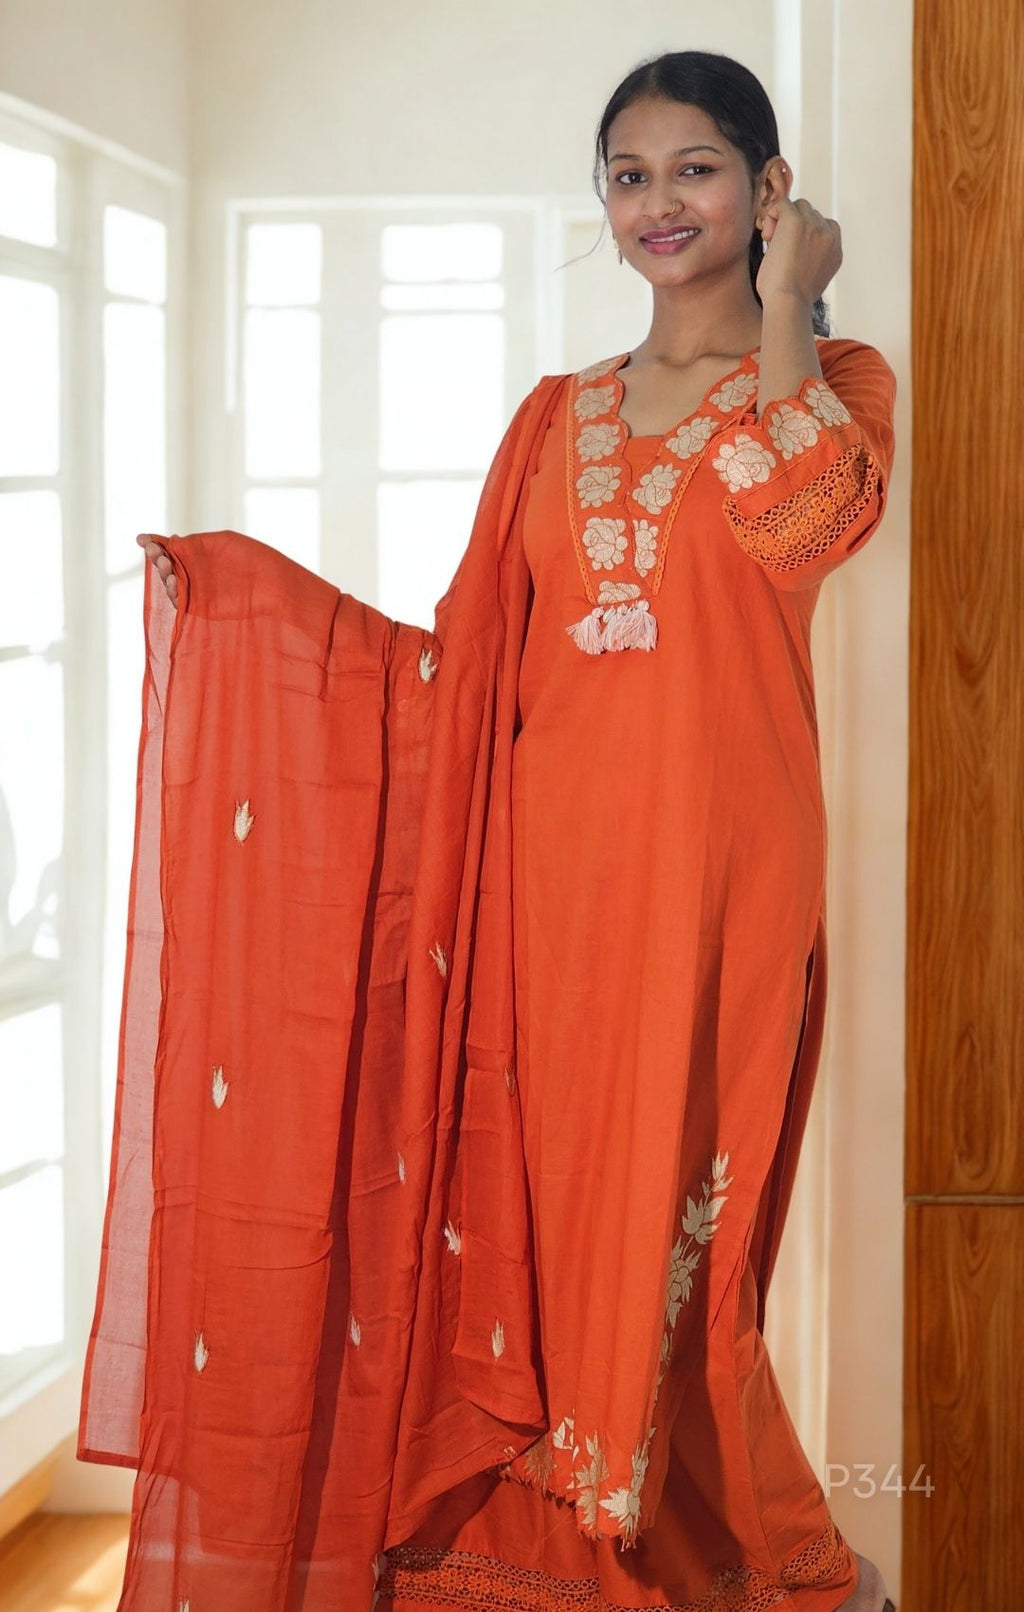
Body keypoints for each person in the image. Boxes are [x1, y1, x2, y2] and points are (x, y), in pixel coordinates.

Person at [119, 47, 896, 1612]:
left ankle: (720, 1546)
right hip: (540, 891)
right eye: (628, 175)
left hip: (721, 879)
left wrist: (797, 301)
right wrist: (279, 632)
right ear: (600, 205)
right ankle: (531, 1552)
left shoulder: (835, 379)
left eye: (697, 169)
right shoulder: (555, 418)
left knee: (689, 1245)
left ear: (766, 190)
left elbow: (807, 518)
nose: (660, 203)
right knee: (533, 1228)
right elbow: (463, 667)